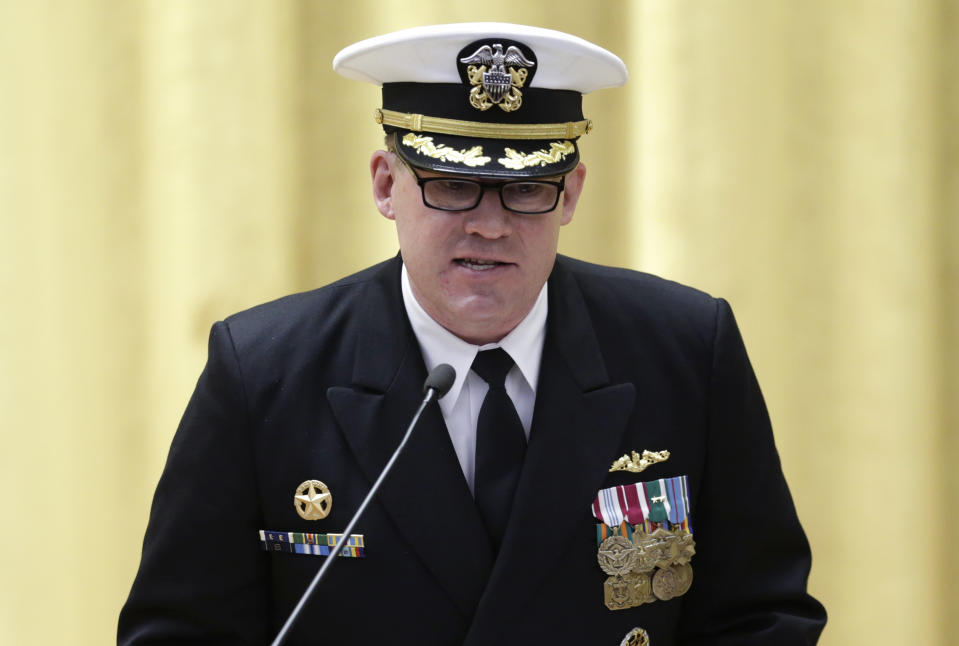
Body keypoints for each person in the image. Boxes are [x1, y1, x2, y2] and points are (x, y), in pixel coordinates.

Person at [119, 23, 826, 645]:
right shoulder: (263, 371)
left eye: (525, 189)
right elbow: (180, 631)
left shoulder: (684, 348)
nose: (488, 225)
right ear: (385, 185)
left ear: (571, 193)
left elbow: (760, 618)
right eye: (450, 186)